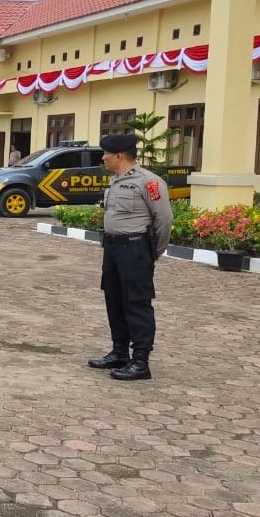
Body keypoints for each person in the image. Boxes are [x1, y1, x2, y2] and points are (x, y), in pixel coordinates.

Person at [87, 133, 171, 381]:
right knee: (114, 300)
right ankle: (120, 351)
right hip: (113, 248)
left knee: (137, 303)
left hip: (135, 249)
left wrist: (152, 252)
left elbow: (164, 221)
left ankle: (141, 361)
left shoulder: (149, 182)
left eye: (106, 154)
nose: (103, 158)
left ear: (119, 156)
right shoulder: (116, 181)